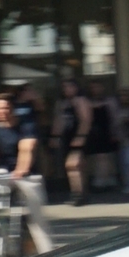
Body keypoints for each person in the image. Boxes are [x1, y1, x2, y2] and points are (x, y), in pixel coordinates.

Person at [0, 92, 56, 254]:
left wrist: (21, 169)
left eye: (4, 108)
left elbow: (26, 149)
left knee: (36, 218)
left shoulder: (27, 126)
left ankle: (47, 253)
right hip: (2, 174)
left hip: (26, 175)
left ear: (13, 109)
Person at [55, 75, 92, 206]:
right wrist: (55, 136)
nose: (67, 89)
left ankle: (79, 194)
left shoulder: (80, 100)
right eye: (64, 87)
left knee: (73, 164)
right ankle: (78, 192)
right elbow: (58, 121)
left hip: (78, 136)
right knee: (73, 166)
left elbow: (86, 120)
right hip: (67, 137)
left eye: (70, 86)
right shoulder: (62, 103)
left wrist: (81, 136)